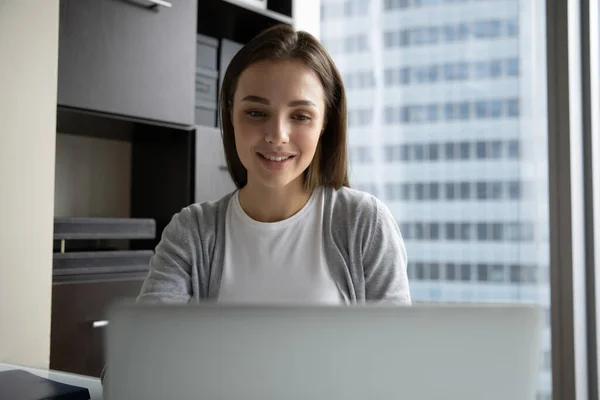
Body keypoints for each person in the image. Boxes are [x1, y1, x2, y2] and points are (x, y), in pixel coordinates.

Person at [136, 23, 411, 306]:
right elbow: (150, 345)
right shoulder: (190, 233)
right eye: (256, 112)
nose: (277, 136)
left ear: (325, 122)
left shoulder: (364, 223)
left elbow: (396, 348)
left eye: (301, 116)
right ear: (230, 115)